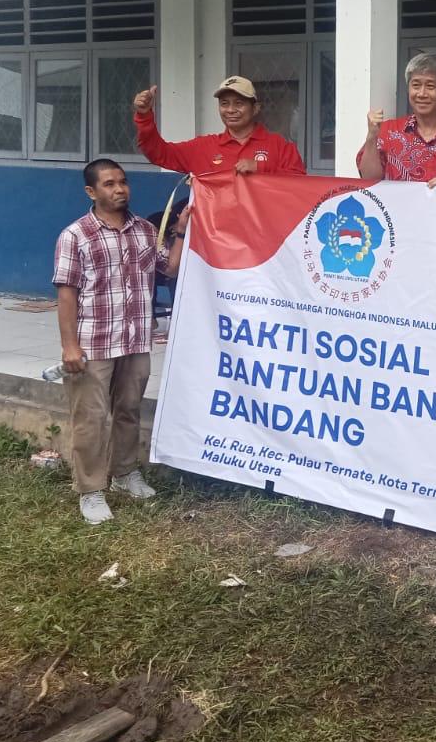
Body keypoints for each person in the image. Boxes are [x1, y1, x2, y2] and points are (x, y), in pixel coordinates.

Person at [53, 160, 188, 525]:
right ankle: (91, 490)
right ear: (91, 192)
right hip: (94, 342)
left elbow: (170, 269)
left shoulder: (144, 230)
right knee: (91, 418)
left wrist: (178, 231)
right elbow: (66, 294)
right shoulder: (76, 235)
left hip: (134, 339)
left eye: (123, 182)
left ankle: (126, 473)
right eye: (109, 183)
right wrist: (69, 346)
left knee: (128, 409)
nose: (120, 189)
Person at [133, 78, 305, 175]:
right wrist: (144, 116)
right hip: (215, 237)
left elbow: (299, 184)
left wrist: (260, 168)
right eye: (224, 103)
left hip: (264, 237)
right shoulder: (204, 147)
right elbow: (159, 154)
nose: (230, 110)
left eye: (239, 103)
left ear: (255, 108)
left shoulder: (279, 145)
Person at [358, 53, 436, 184]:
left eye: (430, 86)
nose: (421, 94)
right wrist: (371, 137)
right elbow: (369, 180)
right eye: (416, 85)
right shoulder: (387, 131)